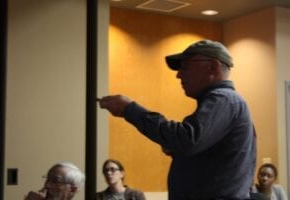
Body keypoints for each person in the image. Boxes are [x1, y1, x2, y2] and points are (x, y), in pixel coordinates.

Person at [98, 39, 257, 200]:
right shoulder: (226, 102)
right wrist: (179, 152)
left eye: (186, 66)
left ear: (213, 66)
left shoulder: (223, 99)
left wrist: (129, 109)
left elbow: (187, 139)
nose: (179, 74)